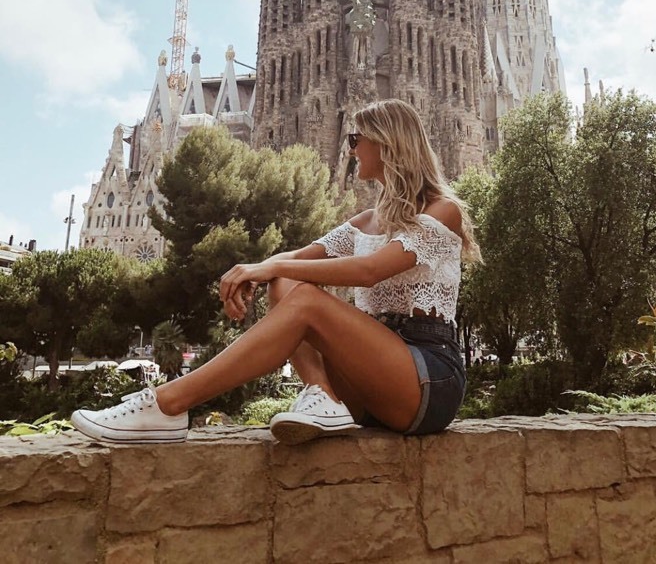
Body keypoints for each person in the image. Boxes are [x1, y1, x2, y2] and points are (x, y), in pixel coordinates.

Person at [71, 99, 481, 446]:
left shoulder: (442, 211)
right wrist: (260, 272)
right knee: (287, 281)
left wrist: (270, 266)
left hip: (427, 377)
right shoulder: (366, 221)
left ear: (387, 143)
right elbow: (296, 260)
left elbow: (372, 270)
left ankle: (166, 404)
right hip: (370, 375)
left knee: (296, 288)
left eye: (357, 140)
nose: (351, 149)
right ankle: (321, 395)